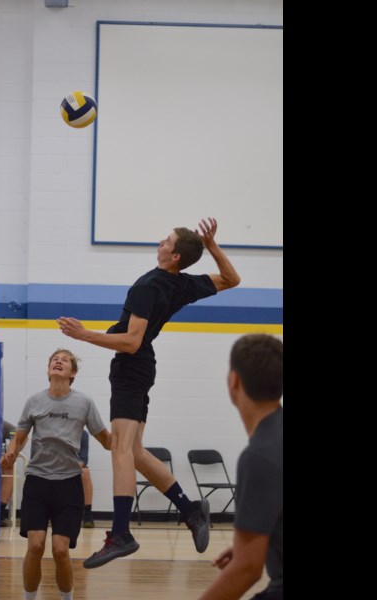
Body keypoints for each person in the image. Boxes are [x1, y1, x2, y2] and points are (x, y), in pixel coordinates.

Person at [57, 217, 241, 568]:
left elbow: (131, 342)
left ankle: (121, 533)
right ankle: (191, 511)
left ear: (174, 257)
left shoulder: (149, 286)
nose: (160, 242)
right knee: (135, 452)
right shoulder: (182, 283)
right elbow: (233, 279)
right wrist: (213, 247)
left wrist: (84, 335)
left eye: (166, 241)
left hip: (133, 366)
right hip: (142, 367)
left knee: (121, 448)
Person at [1, 349, 111, 600]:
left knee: (60, 551)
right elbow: (18, 439)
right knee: (36, 545)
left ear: (72, 373)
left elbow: (106, 440)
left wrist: (126, 440)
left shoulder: (84, 402)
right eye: (54, 359)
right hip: (37, 482)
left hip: (69, 484)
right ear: (49, 369)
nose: (58, 361)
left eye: (65, 360)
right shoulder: (34, 401)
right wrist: (10, 454)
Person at [200, 334, 282, 600]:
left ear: (233, 381)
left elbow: (247, 569)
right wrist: (258, 538)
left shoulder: (258, 455)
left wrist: (247, 553)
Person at [79, 430, 95, 528]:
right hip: (58, 465)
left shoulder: (83, 434)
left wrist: (74, 466)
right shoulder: (58, 431)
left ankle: (87, 515)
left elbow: (84, 459)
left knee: (85, 472)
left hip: (75, 466)